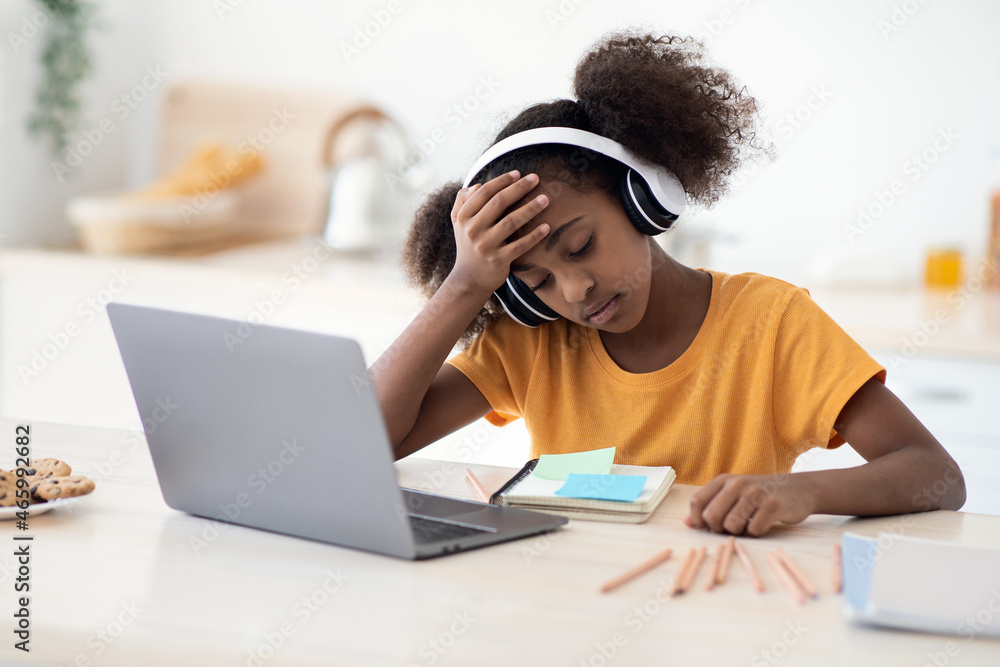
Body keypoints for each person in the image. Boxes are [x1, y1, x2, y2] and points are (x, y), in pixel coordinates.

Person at [370, 31, 965, 536]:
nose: (573, 289)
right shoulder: (534, 342)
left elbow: (934, 474)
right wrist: (465, 286)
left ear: (643, 198)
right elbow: (370, 439)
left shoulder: (771, 322)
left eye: (581, 247)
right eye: (538, 280)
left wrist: (802, 493)